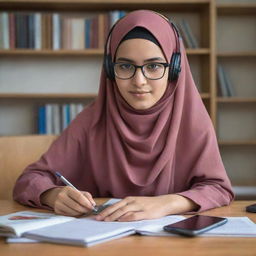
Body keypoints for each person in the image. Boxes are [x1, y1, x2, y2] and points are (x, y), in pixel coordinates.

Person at [13, 10, 234, 222]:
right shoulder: (91, 121)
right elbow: (29, 180)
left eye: (154, 66)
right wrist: (53, 195)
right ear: (110, 69)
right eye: (126, 66)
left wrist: (165, 204)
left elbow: (219, 188)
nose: (139, 81)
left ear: (175, 69)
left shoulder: (193, 122)